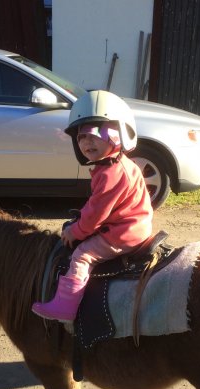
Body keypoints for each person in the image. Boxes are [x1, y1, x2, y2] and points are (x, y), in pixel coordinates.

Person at [32, 90, 153, 322]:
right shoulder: (115, 166)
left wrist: (74, 231)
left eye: (94, 135)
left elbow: (96, 214)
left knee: (81, 255)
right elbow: (99, 206)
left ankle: (65, 306)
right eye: (81, 137)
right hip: (130, 224)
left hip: (124, 233)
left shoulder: (111, 173)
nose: (87, 142)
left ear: (117, 135)